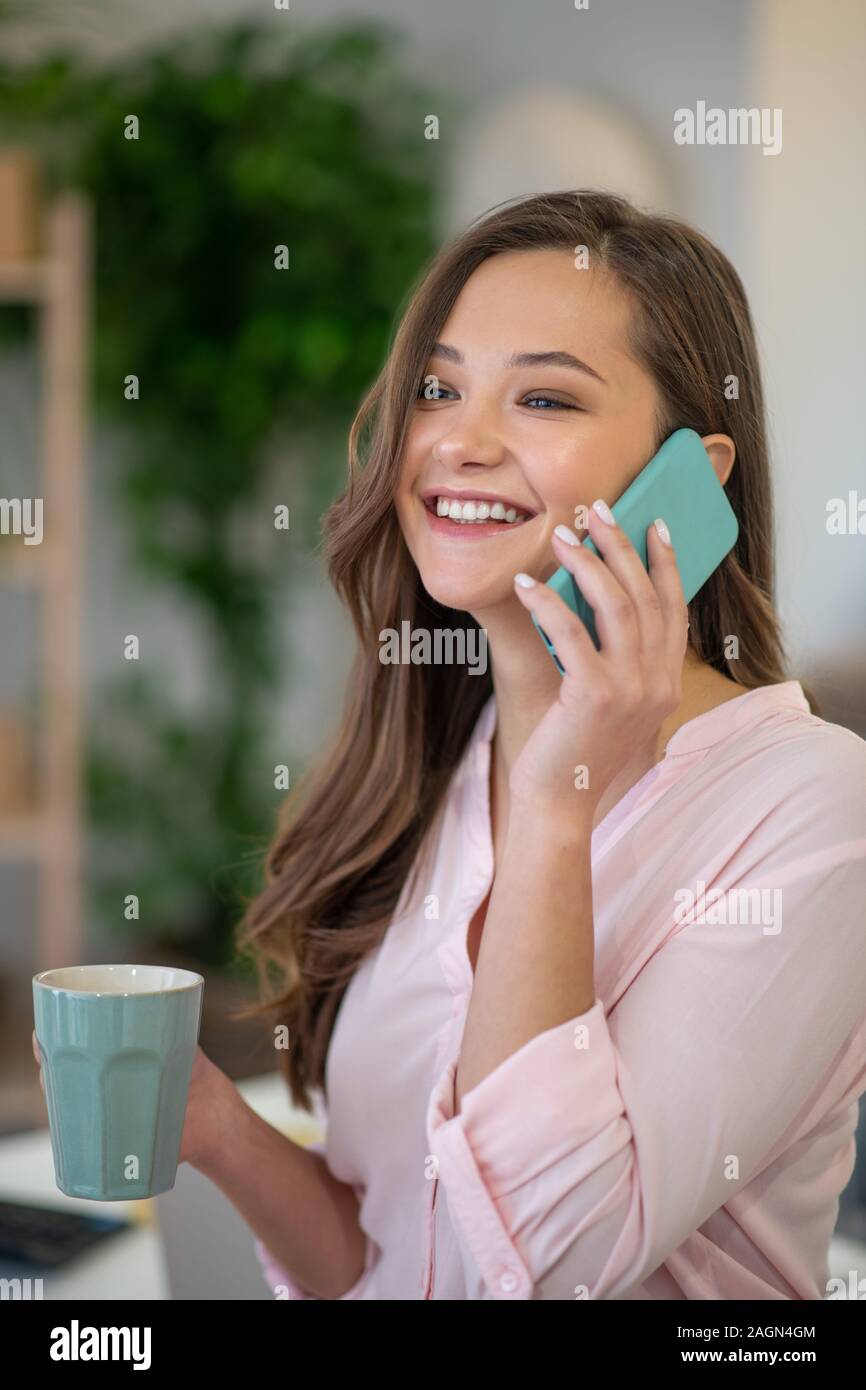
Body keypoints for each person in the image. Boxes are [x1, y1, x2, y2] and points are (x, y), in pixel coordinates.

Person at [55, 191, 866, 1299]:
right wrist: (221, 1131)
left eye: (541, 396)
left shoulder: (814, 811)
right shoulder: (437, 759)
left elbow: (542, 1262)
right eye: (436, 388)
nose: (458, 442)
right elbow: (391, 1259)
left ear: (691, 476)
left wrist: (553, 801)